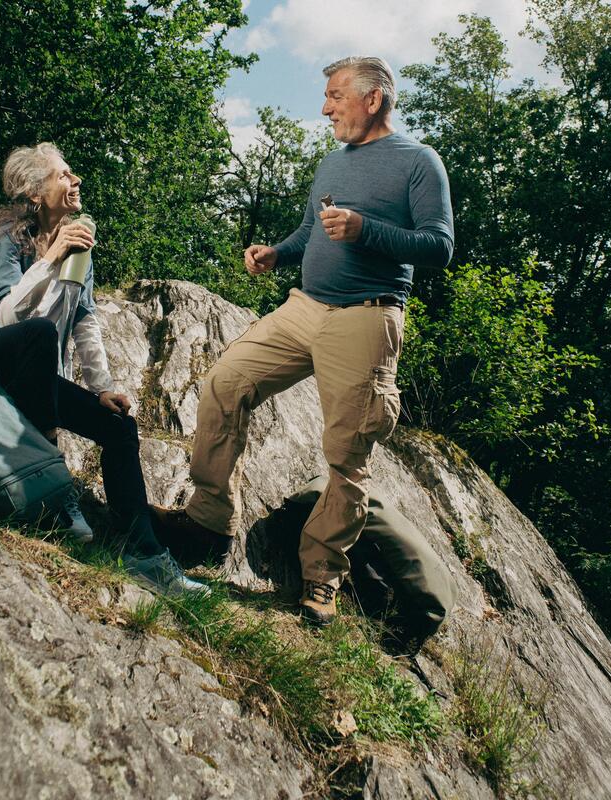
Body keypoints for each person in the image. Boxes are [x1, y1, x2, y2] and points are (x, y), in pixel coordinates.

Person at [152, 57, 454, 624]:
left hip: (366, 318)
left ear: (373, 99)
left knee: (346, 456)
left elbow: (438, 247)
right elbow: (313, 229)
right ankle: (207, 521)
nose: (324, 107)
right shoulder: (332, 161)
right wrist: (277, 252)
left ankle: (321, 577)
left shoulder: (419, 162)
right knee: (224, 383)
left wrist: (368, 231)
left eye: (335, 95)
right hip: (304, 308)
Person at [0, 142, 207, 597]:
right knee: (38, 334)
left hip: (35, 380)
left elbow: (84, 320)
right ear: (36, 193)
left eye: (72, 173)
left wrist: (102, 387)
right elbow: (6, 318)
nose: (75, 180)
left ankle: (147, 558)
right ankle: (57, 489)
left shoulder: (81, 248)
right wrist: (49, 258)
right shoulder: (11, 241)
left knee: (119, 427)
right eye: (63, 175)